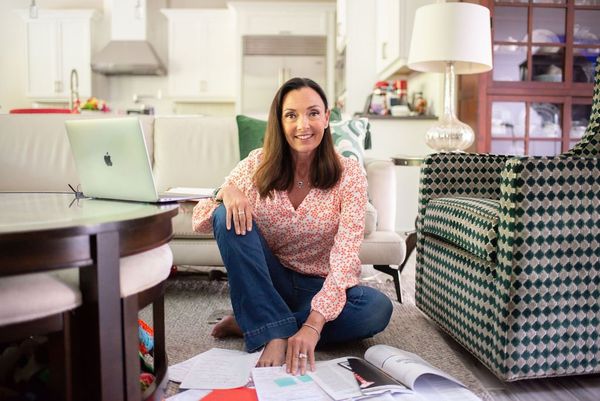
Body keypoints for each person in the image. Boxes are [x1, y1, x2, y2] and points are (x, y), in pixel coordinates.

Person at [192, 77, 392, 375]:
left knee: (376, 308)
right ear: (280, 121)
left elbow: (346, 258)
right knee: (225, 215)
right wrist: (225, 192)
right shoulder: (257, 163)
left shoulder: (348, 173)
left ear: (326, 118)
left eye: (313, 113)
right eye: (291, 115)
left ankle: (255, 321)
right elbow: (201, 218)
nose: (303, 125)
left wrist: (313, 325)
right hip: (270, 282)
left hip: (319, 286)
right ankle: (271, 331)